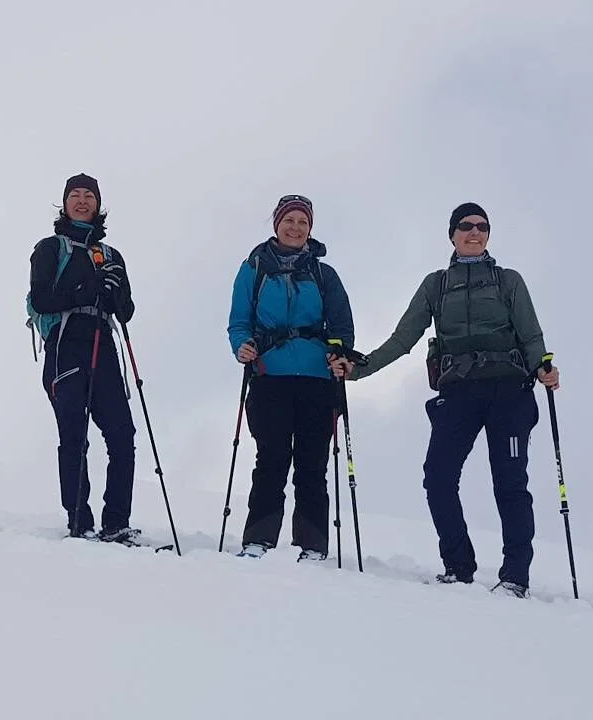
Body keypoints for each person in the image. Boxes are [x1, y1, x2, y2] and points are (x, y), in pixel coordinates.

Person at [331, 202, 558, 599]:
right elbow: (404, 339)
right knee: (437, 477)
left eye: (482, 227)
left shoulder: (508, 281)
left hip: (509, 390)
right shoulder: (435, 285)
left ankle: (515, 577)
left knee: (510, 483)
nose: (475, 232)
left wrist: (543, 366)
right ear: (452, 234)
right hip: (458, 393)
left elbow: (532, 335)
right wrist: (360, 368)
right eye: (466, 226)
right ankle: (459, 566)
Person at [226, 194, 354, 562]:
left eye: (303, 222)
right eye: (290, 220)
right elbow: (239, 321)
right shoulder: (253, 269)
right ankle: (258, 539)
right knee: (271, 458)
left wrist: (340, 352)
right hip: (270, 376)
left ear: (310, 229)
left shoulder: (324, 274)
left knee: (313, 464)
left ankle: (312, 545)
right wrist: (242, 346)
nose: (296, 227)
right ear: (276, 224)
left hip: (317, 378)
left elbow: (342, 325)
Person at [28, 173, 139, 544]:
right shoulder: (50, 248)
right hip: (66, 344)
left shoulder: (111, 255)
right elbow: (42, 299)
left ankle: (116, 523)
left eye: (88, 196)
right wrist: (87, 289)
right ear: (64, 203)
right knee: (74, 435)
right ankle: (79, 521)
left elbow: (126, 311)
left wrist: (113, 293)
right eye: (74, 195)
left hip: (102, 344)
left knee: (123, 434)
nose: (81, 200)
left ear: (97, 204)